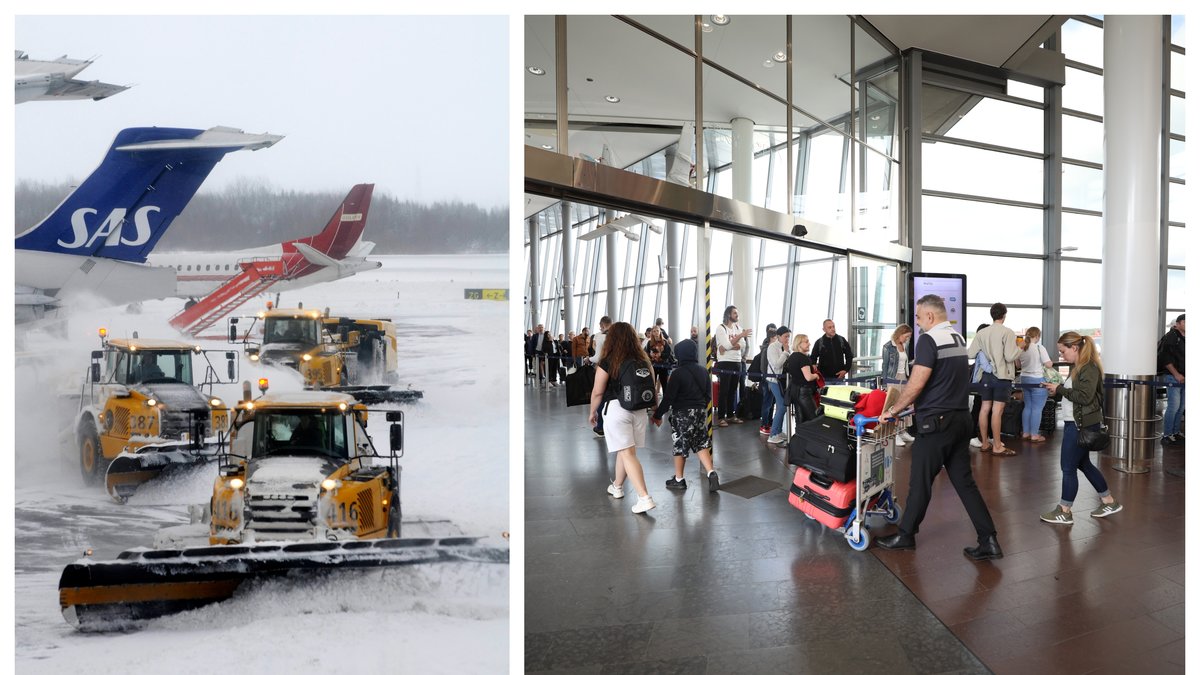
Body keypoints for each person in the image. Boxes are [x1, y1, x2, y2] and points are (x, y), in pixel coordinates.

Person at [877, 294, 1002, 561]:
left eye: (919, 317)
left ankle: (906, 535)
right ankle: (988, 539)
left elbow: (917, 383)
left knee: (920, 482)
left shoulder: (929, 339)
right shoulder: (957, 338)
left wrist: (892, 411)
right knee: (965, 483)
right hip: (960, 420)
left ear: (930, 316)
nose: (918, 323)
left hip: (936, 424)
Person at [1039, 332, 1123, 524]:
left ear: (1074, 348)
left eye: (1063, 351)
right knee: (1083, 464)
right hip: (1077, 423)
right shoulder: (1078, 368)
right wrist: (1056, 390)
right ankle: (1108, 501)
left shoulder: (1088, 368)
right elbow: (1075, 394)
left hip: (1080, 425)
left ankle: (1064, 510)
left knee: (1068, 467)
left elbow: (1084, 397)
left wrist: (1059, 389)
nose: (1061, 355)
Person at [589, 321, 657, 514]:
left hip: (617, 410)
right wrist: (656, 411)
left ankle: (644, 497)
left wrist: (592, 412)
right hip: (640, 412)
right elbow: (652, 387)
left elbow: (597, 391)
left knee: (627, 453)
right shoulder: (643, 360)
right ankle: (617, 486)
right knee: (625, 451)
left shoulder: (609, 360)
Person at [651, 338, 719, 493]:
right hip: (700, 413)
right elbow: (708, 395)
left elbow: (668, 398)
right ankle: (711, 472)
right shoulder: (703, 371)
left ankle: (679, 479)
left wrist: (657, 415)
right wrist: (699, 406)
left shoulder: (677, 373)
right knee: (701, 443)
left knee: (680, 445)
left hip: (682, 414)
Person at [967, 303, 1022, 456]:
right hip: (1002, 376)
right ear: (1004, 315)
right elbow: (1010, 356)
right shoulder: (1007, 332)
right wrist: (1021, 348)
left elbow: (970, 354)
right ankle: (997, 446)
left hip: (986, 376)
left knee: (984, 408)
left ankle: (985, 443)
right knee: (997, 411)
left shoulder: (982, 333)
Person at [714, 305, 751, 426]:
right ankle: (721, 417)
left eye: (737, 313)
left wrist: (728, 346)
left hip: (737, 361)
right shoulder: (721, 328)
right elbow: (726, 345)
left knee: (733, 390)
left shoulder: (738, 327)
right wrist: (738, 337)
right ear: (728, 314)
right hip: (725, 362)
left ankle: (730, 415)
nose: (737, 315)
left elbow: (743, 345)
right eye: (735, 313)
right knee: (724, 390)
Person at [881, 324, 917, 447]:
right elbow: (885, 366)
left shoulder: (904, 345)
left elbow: (904, 362)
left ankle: (902, 431)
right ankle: (894, 433)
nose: (907, 339)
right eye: (906, 336)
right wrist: (884, 383)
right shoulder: (887, 347)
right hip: (893, 379)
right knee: (895, 405)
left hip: (903, 378)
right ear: (900, 334)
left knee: (905, 404)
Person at [1018, 327, 1054, 442]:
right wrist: (1050, 362)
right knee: (1037, 408)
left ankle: (1026, 433)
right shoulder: (1039, 347)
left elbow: (1018, 365)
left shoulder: (1021, 348)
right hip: (1037, 380)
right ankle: (1034, 435)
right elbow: (1048, 364)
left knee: (1028, 406)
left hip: (1024, 379)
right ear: (1037, 336)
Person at [1158, 314, 1186, 445]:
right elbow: (1165, 358)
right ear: (1178, 324)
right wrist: (1176, 374)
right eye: (1185, 322)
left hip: (1184, 376)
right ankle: (1167, 434)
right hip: (1173, 376)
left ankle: (1175, 432)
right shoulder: (1171, 336)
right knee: (1174, 406)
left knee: (1181, 407)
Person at [784, 333, 820, 434]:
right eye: (806, 341)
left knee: (800, 418)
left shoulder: (792, 357)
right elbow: (808, 377)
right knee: (814, 418)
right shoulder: (803, 358)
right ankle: (813, 440)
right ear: (799, 344)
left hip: (795, 391)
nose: (809, 344)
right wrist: (816, 376)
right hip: (804, 392)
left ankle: (800, 439)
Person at [764, 326, 792, 445]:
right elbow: (776, 365)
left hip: (782, 380)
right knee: (781, 407)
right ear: (779, 336)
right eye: (785, 336)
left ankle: (778, 431)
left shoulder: (785, 347)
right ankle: (773, 435)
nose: (787, 339)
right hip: (774, 380)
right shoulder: (772, 347)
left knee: (782, 406)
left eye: (788, 337)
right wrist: (785, 352)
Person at [586, 316, 613, 437]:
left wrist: (588, 359)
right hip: (619, 371)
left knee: (601, 397)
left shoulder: (601, 336)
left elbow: (598, 357)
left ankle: (601, 427)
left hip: (604, 369)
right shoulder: (618, 336)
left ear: (602, 325)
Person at [967, 323, 990, 449]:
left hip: (985, 382)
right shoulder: (981, 349)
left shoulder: (986, 347)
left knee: (986, 409)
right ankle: (972, 436)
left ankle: (988, 436)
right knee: (977, 409)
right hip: (980, 383)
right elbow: (986, 367)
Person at [756, 323, 778, 436]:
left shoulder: (771, 348)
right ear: (772, 338)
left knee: (770, 402)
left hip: (771, 379)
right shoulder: (766, 349)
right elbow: (763, 366)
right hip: (767, 379)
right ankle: (764, 424)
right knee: (767, 402)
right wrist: (767, 378)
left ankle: (768, 422)